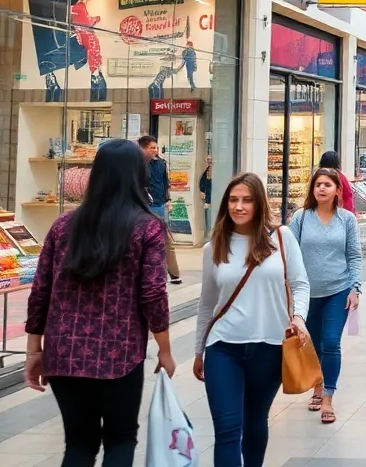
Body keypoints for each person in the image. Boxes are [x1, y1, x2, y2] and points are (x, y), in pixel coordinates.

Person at [24, 139, 174, 467]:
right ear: (138, 176)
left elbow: (40, 292)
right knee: (120, 439)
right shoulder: (147, 228)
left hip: (64, 352)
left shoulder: (64, 226)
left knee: (79, 443)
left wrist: (35, 350)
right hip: (120, 354)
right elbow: (152, 293)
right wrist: (164, 348)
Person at [194, 173, 311, 467]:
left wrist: (298, 316)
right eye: (233, 200)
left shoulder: (282, 238)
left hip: (269, 347)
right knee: (228, 429)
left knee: (255, 422)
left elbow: (299, 283)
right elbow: (207, 304)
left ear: (259, 203)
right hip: (223, 347)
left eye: (247, 200)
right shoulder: (215, 247)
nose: (239, 206)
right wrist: (199, 351)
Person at [289, 168, 363, 425]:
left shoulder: (347, 220)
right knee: (313, 344)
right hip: (306, 293)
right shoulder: (300, 217)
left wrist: (355, 288)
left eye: (327, 185)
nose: (322, 188)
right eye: (318, 184)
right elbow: (290, 254)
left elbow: (354, 255)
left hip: (338, 290)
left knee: (331, 342)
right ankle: (317, 385)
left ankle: (328, 396)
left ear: (336, 190)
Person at [138, 135, 181, 284]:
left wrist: (167, 199)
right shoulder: (137, 164)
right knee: (148, 240)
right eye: (151, 148)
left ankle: (172, 274)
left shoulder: (161, 163)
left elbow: (165, 182)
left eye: (156, 147)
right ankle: (153, 273)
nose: (155, 150)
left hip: (159, 205)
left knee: (163, 239)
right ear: (142, 148)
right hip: (143, 206)